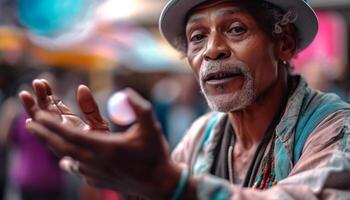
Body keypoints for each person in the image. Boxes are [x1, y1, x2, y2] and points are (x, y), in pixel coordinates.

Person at [19, 0, 350, 199]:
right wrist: (124, 172)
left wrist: (166, 182)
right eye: (197, 37)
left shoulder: (335, 128)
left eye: (235, 29)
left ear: (285, 43)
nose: (212, 50)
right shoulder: (202, 135)